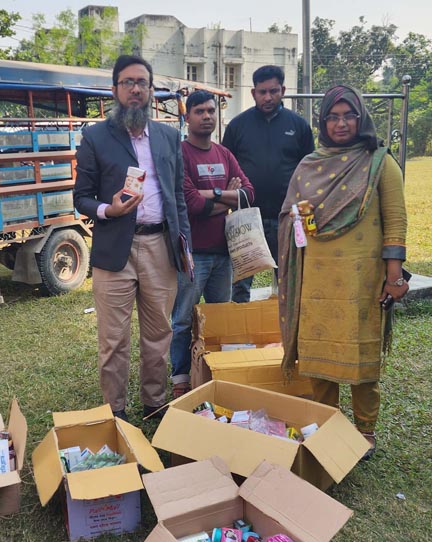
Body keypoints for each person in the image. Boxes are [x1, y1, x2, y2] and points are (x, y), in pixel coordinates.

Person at [277, 85, 408, 461]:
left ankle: (365, 430)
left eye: (348, 115)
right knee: (317, 354)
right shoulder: (309, 164)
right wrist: (296, 218)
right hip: (315, 278)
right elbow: (288, 215)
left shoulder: (380, 162)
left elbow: (395, 221)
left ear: (361, 117)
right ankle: (328, 424)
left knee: (361, 354)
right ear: (322, 122)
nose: (340, 123)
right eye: (332, 116)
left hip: (362, 277)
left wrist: (394, 276)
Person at [74, 55, 191, 421]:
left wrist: (184, 244)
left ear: (152, 90)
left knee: (160, 333)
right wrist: (109, 210)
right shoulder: (95, 136)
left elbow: (178, 196)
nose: (136, 89)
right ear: (115, 90)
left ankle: (155, 401)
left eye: (143, 82)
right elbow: (81, 197)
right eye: (128, 83)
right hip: (114, 249)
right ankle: (116, 410)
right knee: (114, 339)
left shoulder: (170, 136)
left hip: (160, 247)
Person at [169, 90, 255, 398]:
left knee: (220, 317)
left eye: (211, 111)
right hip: (192, 254)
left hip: (224, 253)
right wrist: (226, 196)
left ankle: (216, 370)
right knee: (181, 319)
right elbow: (190, 203)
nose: (207, 116)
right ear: (187, 117)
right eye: (200, 111)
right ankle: (180, 380)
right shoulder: (180, 154)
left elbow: (249, 194)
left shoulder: (224, 154)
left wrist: (213, 196)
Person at [223, 65, 314, 303]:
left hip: (287, 217)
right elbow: (226, 168)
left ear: (283, 90)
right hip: (247, 218)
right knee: (241, 282)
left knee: (288, 281)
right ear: (253, 93)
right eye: (262, 92)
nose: (268, 97)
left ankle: (286, 334)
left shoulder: (299, 126)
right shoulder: (237, 126)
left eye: (273, 91)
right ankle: (239, 332)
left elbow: (309, 172)